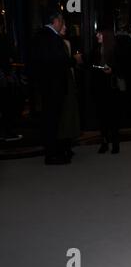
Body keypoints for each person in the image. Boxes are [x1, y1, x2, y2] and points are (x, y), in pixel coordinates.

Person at [30, 11, 82, 165]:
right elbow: (59, 62)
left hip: (47, 85)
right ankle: (52, 155)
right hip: (54, 86)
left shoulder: (40, 36)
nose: (63, 25)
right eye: (62, 22)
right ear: (57, 21)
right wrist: (74, 60)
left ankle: (53, 151)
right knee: (53, 121)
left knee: (51, 119)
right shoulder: (52, 38)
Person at [91, 28, 123, 154]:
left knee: (113, 117)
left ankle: (115, 143)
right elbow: (91, 65)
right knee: (102, 117)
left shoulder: (115, 50)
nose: (97, 36)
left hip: (112, 88)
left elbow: (122, 67)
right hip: (100, 88)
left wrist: (112, 70)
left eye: (100, 34)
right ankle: (104, 142)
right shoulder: (96, 49)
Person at [57, 20, 81, 161]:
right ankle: (64, 146)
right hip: (63, 82)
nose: (65, 27)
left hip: (69, 81)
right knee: (64, 115)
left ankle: (67, 144)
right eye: (63, 25)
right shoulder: (58, 43)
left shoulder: (66, 43)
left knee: (70, 114)